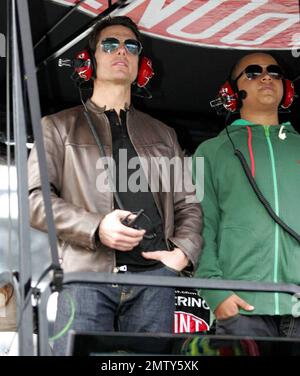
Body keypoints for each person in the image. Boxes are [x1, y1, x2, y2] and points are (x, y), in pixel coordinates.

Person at [28, 16, 202, 355]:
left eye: (130, 45)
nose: (121, 50)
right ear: (90, 61)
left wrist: (183, 253)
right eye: (110, 44)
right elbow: (34, 201)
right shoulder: (56, 127)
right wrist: (96, 227)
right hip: (85, 279)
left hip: (155, 279)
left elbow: (189, 205)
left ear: (140, 63)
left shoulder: (164, 134)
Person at [193, 52, 300, 337]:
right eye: (252, 73)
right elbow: (200, 226)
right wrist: (216, 296)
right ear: (231, 92)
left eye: (274, 72)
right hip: (241, 306)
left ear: (286, 88)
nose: (266, 77)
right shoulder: (211, 152)